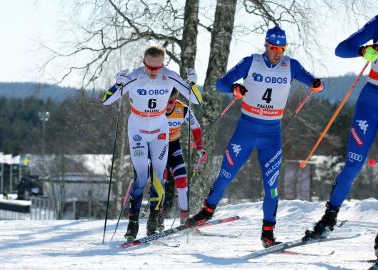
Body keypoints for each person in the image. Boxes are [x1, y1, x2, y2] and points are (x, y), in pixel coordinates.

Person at [185, 26, 324, 248]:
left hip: (271, 134)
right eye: (273, 47)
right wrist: (235, 88)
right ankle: (206, 212)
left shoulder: (291, 66)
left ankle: (267, 234)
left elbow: (314, 81)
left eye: (281, 47)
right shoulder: (252, 62)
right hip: (246, 130)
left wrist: (317, 84)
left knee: (271, 186)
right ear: (266, 46)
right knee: (226, 175)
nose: (277, 52)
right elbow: (220, 83)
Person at [102, 45, 201, 240]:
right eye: (150, 67)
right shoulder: (135, 76)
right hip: (138, 130)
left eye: (157, 68)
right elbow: (106, 100)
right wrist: (118, 85)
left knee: (159, 176)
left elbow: (195, 100)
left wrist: (192, 84)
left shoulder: (169, 76)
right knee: (141, 175)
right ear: (144, 63)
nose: (153, 72)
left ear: (162, 64)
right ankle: (132, 224)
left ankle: (153, 223)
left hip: (159, 131)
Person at [302, 16, 378, 252]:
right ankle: (328, 220)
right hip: (371, 100)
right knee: (353, 165)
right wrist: (364, 50)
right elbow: (341, 49)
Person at [149, 88, 207, 233]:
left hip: (174, 147)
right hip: (157, 148)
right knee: (159, 186)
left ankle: (185, 221)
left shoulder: (183, 109)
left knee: (182, 182)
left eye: (171, 102)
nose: (168, 105)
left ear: (176, 99)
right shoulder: (156, 108)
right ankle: (157, 220)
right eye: (166, 102)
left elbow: (196, 127)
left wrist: (199, 147)